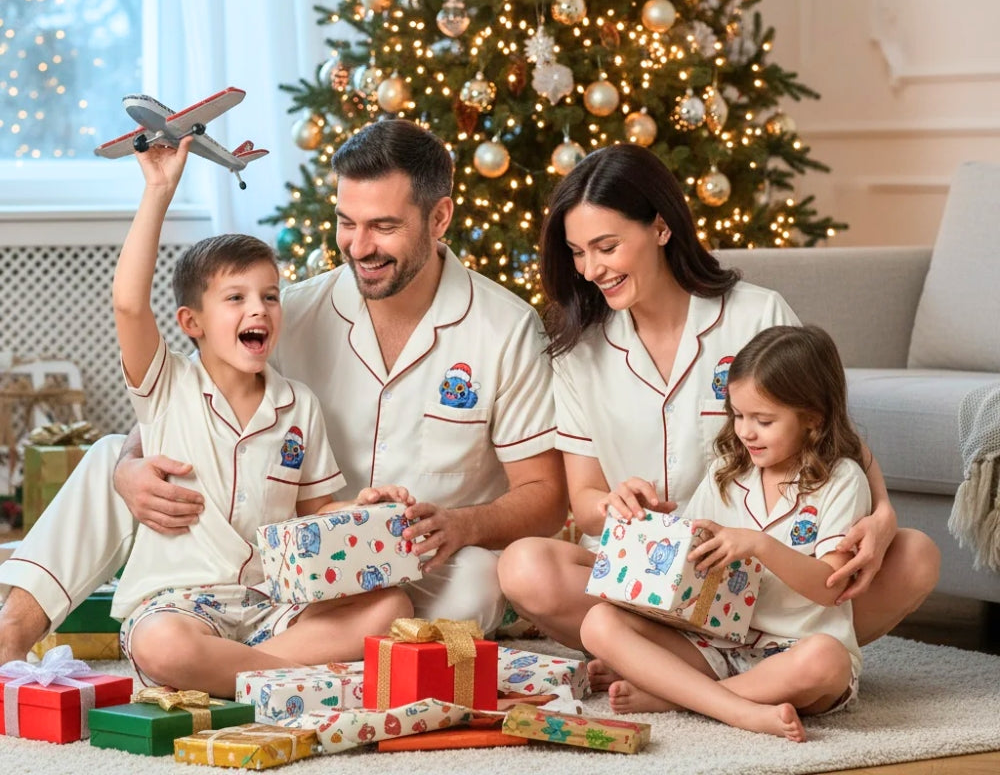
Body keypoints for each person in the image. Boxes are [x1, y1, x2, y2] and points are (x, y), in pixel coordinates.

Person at [0, 119, 566, 664]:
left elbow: (545, 494)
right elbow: (185, 411)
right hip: (282, 564)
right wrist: (130, 465)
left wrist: (461, 526)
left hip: (419, 560)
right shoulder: (286, 312)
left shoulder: (504, 329)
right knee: (106, 458)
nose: (359, 245)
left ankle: (220, 658)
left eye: (384, 227)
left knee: (473, 586)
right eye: (347, 222)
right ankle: (14, 631)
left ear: (439, 217)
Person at [497, 143, 939, 679]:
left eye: (606, 247)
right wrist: (614, 503)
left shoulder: (756, 313)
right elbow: (585, 501)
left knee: (914, 556)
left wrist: (884, 513)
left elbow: (826, 429)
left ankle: (694, 667)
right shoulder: (580, 351)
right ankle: (729, 669)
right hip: (646, 575)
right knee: (524, 567)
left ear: (661, 228)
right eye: (577, 252)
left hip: (762, 577)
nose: (591, 269)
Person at [109, 136, 411, 695]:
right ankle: (284, 676)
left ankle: (239, 674)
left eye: (270, 297)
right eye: (236, 298)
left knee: (391, 604)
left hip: (273, 603)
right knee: (163, 644)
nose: (259, 309)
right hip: (180, 603)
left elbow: (316, 512)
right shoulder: (166, 384)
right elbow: (129, 304)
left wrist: (362, 510)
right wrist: (158, 190)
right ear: (191, 322)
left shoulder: (299, 405)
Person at [581, 324, 872, 741]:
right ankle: (736, 707)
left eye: (764, 420)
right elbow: (690, 560)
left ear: (812, 419)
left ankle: (681, 698)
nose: (745, 431)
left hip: (795, 653)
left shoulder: (842, 480)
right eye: (737, 415)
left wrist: (758, 544)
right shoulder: (726, 471)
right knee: (598, 622)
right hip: (718, 647)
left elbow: (830, 587)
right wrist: (651, 527)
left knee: (827, 660)